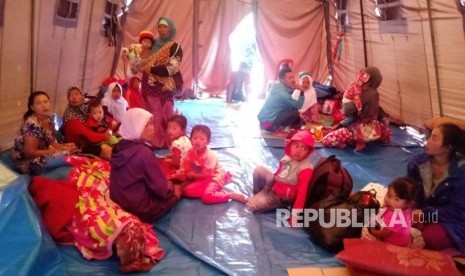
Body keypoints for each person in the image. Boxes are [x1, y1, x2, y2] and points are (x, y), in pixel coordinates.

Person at [109, 108, 182, 223]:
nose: (152, 128)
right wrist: (172, 189)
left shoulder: (119, 146)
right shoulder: (144, 153)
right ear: (135, 127)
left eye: (151, 124)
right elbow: (161, 190)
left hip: (118, 201)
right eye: (146, 125)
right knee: (176, 191)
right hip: (138, 209)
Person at [407, 123, 465, 254]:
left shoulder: (461, 174)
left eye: (434, 138)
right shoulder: (417, 164)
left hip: (450, 219)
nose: (427, 141)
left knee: (430, 238)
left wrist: (426, 215)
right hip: (421, 213)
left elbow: (458, 212)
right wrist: (412, 210)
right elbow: (409, 192)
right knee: (391, 221)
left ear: (447, 148)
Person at [246, 130, 314, 225]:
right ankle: (259, 195)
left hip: (282, 197)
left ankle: (263, 200)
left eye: (304, 148)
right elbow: (278, 173)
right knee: (259, 170)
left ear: (308, 152)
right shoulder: (288, 157)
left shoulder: (305, 169)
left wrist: (295, 215)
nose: (298, 151)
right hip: (276, 185)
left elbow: (302, 193)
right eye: (296, 146)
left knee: (252, 205)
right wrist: (269, 185)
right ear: (290, 146)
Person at [170, 124, 247, 204]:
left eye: (202, 139)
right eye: (195, 138)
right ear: (191, 139)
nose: (198, 141)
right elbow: (185, 163)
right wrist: (181, 172)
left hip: (213, 178)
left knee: (207, 197)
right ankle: (209, 190)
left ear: (208, 141)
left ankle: (230, 195)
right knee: (186, 190)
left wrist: (192, 175)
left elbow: (208, 174)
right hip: (201, 178)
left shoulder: (209, 155)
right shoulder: (190, 152)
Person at [137, 17, 183, 148]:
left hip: (163, 85)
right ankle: (150, 139)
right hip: (148, 84)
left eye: (165, 26)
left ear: (171, 29)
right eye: (160, 26)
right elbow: (142, 58)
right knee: (148, 112)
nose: (162, 29)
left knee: (162, 112)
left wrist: (151, 69)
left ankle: (165, 141)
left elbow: (173, 67)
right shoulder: (152, 44)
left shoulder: (175, 47)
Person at [321, 66, 391, 152]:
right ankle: (371, 136)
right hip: (371, 127)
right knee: (345, 122)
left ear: (368, 81)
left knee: (326, 140)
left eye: (363, 76)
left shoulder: (366, 95)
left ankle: (359, 141)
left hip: (360, 129)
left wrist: (351, 100)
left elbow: (348, 112)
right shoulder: (373, 93)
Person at [13, 91, 77, 175]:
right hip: (26, 162)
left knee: (72, 150)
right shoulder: (31, 126)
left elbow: (51, 141)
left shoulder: (49, 119)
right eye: (38, 103)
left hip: (42, 152)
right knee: (66, 154)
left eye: (45, 101)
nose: (44, 105)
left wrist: (64, 146)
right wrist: (59, 150)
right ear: (32, 107)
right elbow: (30, 154)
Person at [365, 177, 417, 247]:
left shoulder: (396, 218)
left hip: (395, 245)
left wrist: (372, 230)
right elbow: (383, 212)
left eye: (396, 199)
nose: (390, 201)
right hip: (405, 239)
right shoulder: (403, 208)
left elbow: (381, 234)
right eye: (389, 196)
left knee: (363, 232)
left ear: (407, 203)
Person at [257, 66, 304, 136]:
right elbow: (298, 105)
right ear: (282, 80)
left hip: (263, 122)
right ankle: (274, 129)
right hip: (266, 125)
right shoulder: (282, 94)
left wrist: (293, 89)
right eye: (289, 78)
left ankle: (280, 127)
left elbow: (288, 93)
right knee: (294, 112)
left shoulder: (277, 86)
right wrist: (302, 92)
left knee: (293, 112)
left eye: (293, 77)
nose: (293, 80)